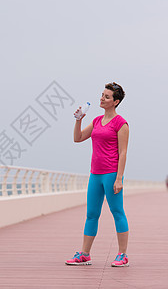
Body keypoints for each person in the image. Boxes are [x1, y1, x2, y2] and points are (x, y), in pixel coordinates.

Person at [66, 82, 130, 267]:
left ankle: (122, 254)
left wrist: (119, 178)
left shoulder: (121, 123)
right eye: (102, 95)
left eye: (107, 97)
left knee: (117, 212)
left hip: (111, 174)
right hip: (95, 174)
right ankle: (85, 254)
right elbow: (77, 139)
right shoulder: (95, 121)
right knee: (91, 214)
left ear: (115, 101)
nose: (102, 98)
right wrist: (78, 119)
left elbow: (123, 152)